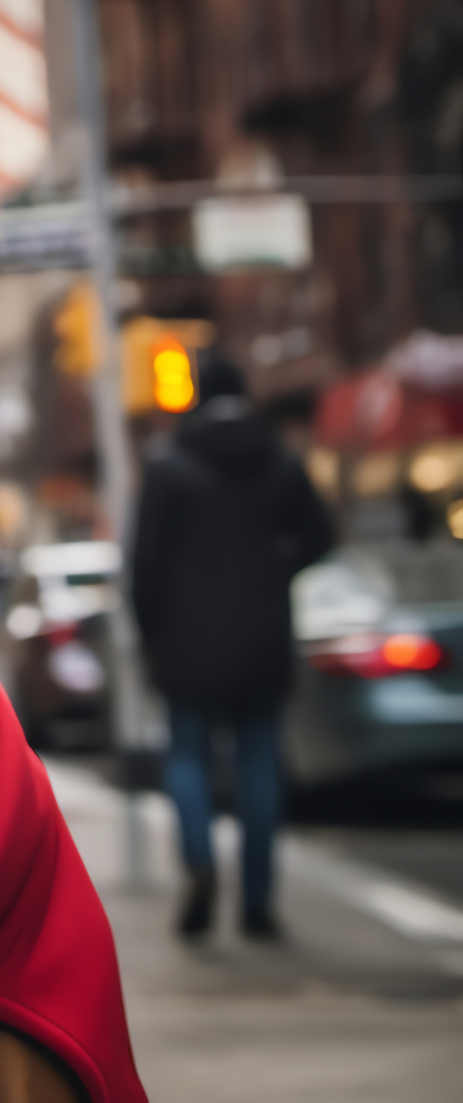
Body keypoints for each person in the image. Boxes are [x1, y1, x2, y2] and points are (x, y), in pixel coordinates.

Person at [131, 350, 334, 941]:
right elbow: (321, 536)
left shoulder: (169, 465)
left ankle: (198, 862)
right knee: (259, 765)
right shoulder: (280, 460)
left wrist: (150, 636)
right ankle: (257, 903)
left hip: (186, 642)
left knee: (188, 757)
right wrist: (276, 572)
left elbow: (146, 564)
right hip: (261, 637)